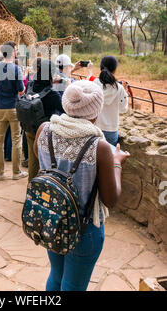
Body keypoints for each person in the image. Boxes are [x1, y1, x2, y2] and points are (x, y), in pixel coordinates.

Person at [34, 80, 130, 291]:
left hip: (52, 218)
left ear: (66, 103)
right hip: (84, 228)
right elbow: (110, 199)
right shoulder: (100, 147)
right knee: (73, 285)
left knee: (57, 276)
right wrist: (116, 162)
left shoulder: (44, 130)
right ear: (96, 111)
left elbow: (41, 164)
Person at [25, 59, 64, 181]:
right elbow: (65, 108)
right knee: (46, 163)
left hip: (29, 127)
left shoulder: (30, 84)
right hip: (45, 132)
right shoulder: (52, 94)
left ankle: (30, 188)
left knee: (33, 161)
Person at [0, 41, 27, 181]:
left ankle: (0, 173)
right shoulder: (16, 69)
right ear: (13, 52)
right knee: (16, 140)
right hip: (13, 107)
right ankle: (15, 172)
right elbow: (21, 89)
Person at [87, 56, 128, 146]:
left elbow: (88, 82)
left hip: (95, 128)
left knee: (94, 157)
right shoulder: (119, 87)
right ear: (115, 70)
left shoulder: (94, 83)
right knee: (109, 157)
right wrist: (125, 92)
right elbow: (123, 109)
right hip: (111, 130)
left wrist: (89, 71)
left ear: (101, 68)